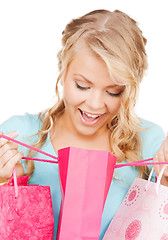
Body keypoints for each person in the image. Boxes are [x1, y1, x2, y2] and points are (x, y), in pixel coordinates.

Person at [0, 9, 168, 239]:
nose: (95, 104)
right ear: (63, 69)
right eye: (82, 86)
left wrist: (165, 182)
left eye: (113, 92)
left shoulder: (150, 143)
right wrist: (6, 183)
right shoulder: (17, 137)